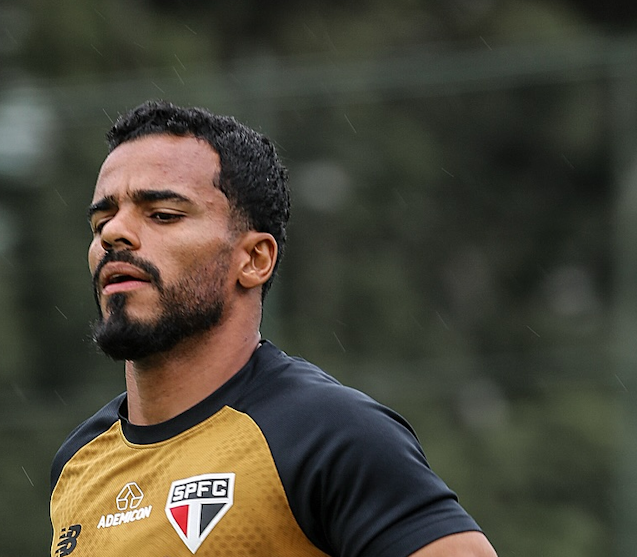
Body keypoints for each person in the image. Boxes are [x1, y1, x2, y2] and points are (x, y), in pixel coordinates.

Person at [49, 100, 496, 557]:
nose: (114, 234)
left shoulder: (329, 434)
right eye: (101, 221)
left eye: (163, 214)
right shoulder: (78, 461)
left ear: (254, 259)